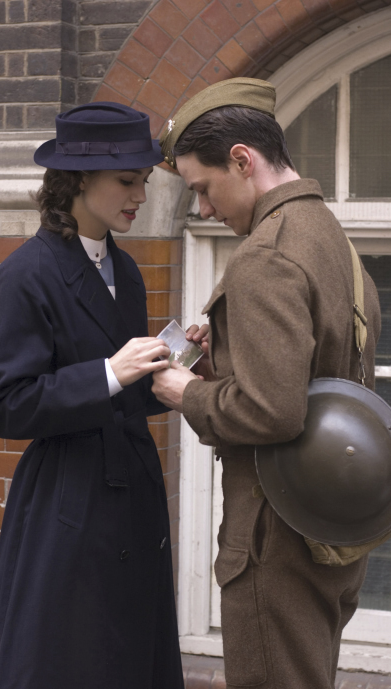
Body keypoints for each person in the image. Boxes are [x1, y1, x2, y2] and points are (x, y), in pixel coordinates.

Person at [152, 78, 381, 689]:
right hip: (327, 527)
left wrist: (183, 391)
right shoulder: (329, 237)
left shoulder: (265, 257)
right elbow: (312, 379)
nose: (203, 208)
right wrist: (218, 368)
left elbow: (272, 412)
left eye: (203, 188)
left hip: (274, 537)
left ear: (242, 160)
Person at [0, 103, 190, 689]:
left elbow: (123, 395)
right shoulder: (24, 276)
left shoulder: (125, 270)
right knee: (67, 660)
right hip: (66, 504)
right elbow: (5, 404)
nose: (140, 196)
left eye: (143, 182)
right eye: (127, 181)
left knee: (129, 657)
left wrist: (172, 365)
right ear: (76, 179)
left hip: (132, 496)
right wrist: (108, 372)